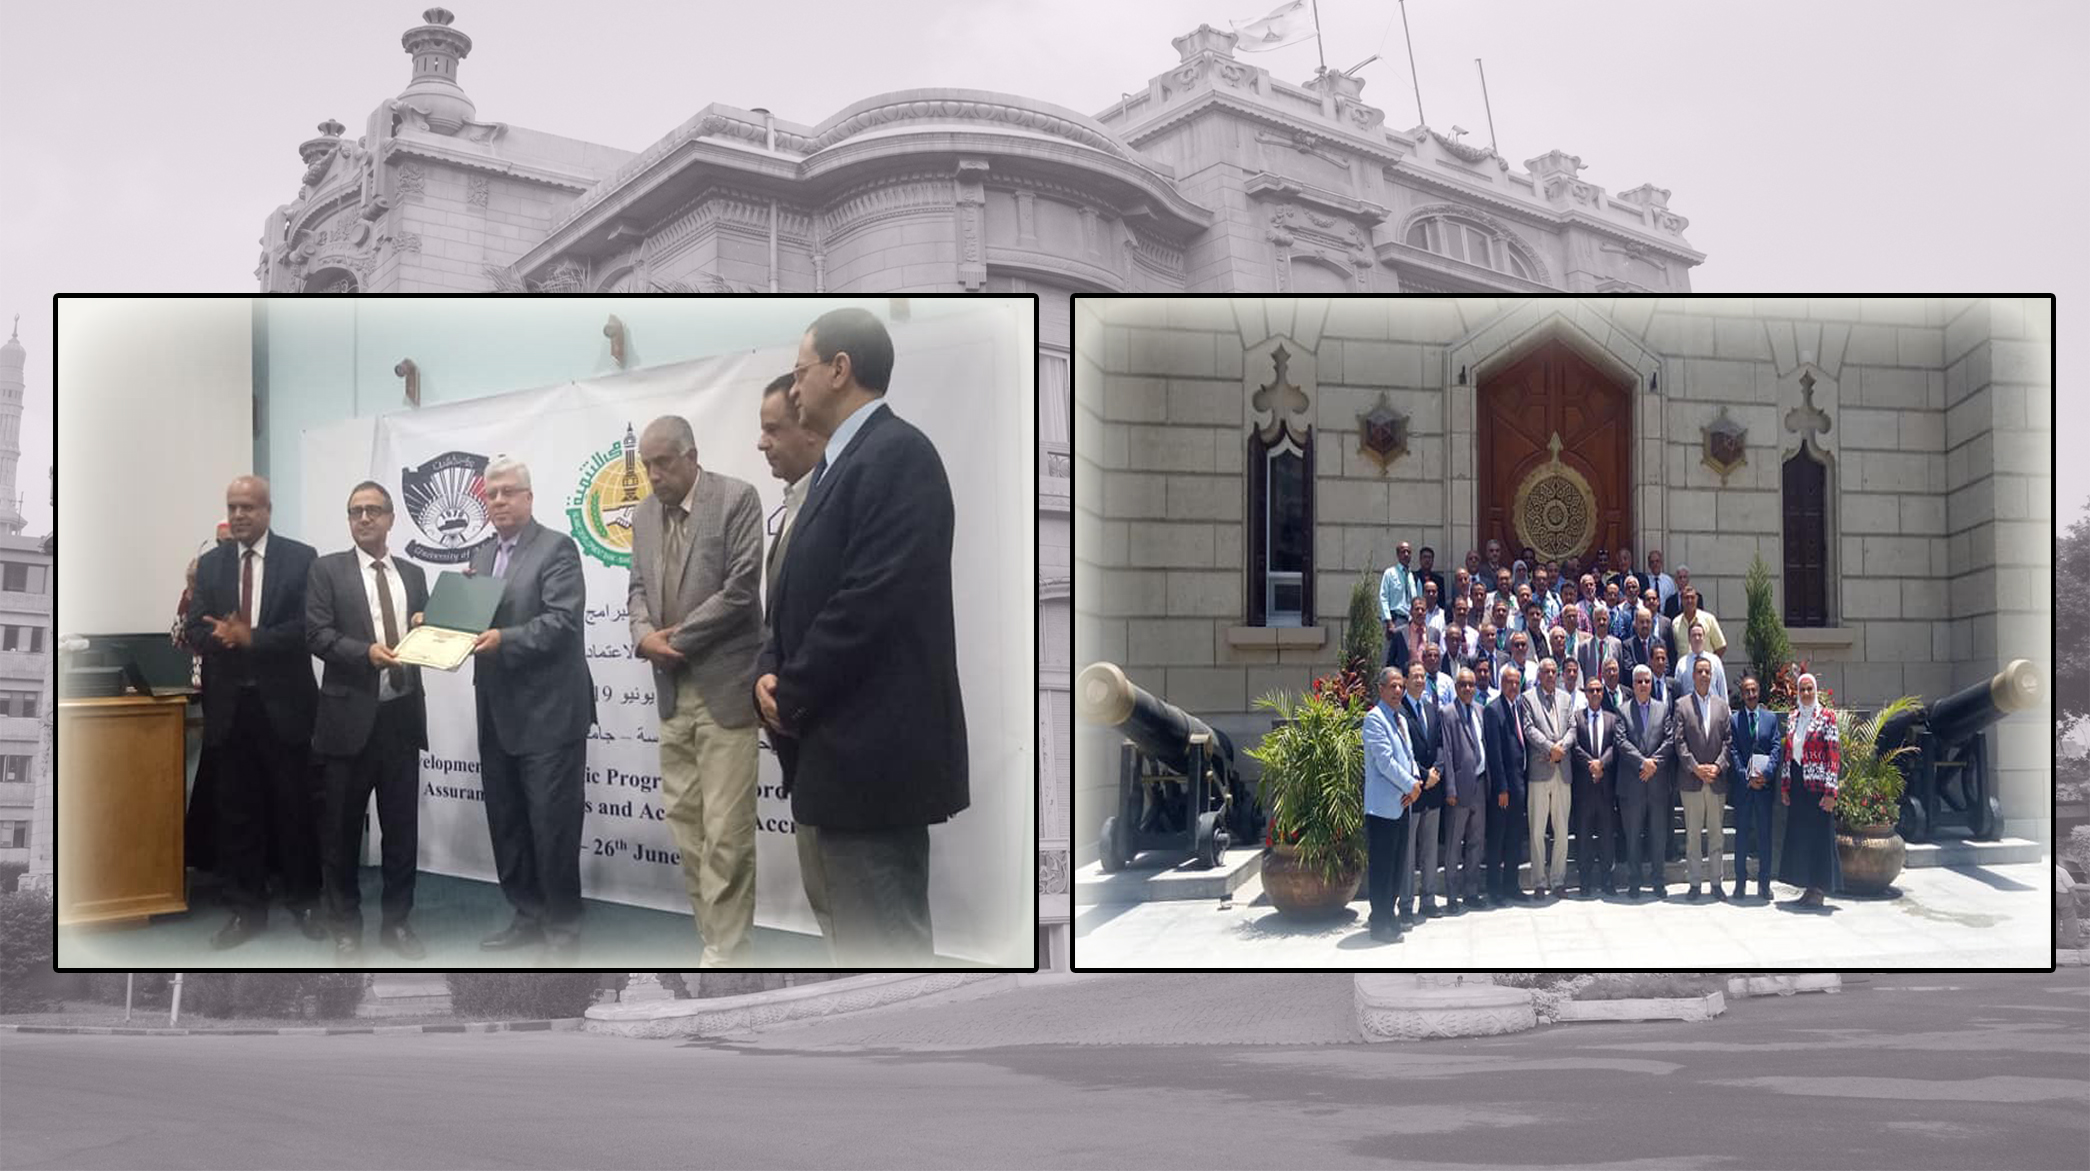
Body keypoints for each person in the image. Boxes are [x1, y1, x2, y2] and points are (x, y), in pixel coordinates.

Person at [757, 307, 970, 966]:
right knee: (853, 960)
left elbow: (872, 602)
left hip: (874, 767)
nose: (794, 391)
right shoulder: (830, 470)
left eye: (800, 373)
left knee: (889, 964)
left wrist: (788, 690)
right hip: (832, 760)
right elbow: (793, 590)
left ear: (840, 370)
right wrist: (769, 665)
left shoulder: (900, 455)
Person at [630, 414, 767, 968]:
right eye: (646, 465)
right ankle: (714, 944)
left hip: (725, 690)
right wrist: (643, 637)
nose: (654, 475)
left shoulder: (737, 498)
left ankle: (729, 955)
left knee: (727, 834)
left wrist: (675, 639)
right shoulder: (641, 515)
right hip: (671, 693)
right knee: (687, 830)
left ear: (691, 456)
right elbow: (637, 587)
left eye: (663, 463)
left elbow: (740, 589)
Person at [185, 475, 323, 951]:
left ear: (267, 511)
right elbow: (193, 628)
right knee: (237, 813)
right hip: (230, 709)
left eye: (248, 507)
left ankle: (305, 899)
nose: (239, 514)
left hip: (285, 706)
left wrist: (253, 638)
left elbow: (309, 629)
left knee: (295, 807)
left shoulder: (300, 558)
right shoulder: (210, 565)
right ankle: (246, 910)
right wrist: (218, 635)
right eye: (232, 506)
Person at [469, 456, 598, 964]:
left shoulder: (557, 549)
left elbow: (562, 623)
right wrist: (437, 624)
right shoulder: (480, 555)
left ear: (528, 497)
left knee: (553, 825)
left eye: (508, 492)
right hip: (496, 711)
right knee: (507, 822)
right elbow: (473, 619)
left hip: (549, 714)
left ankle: (563, 927)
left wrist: (504, 639)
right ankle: (526, 914)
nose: (498, 501)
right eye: (492, 494)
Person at [305, 481, 430, 963]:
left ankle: (397, 924)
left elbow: (429, 632)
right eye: (355, 511)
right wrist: (366, 654)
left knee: (402, 831)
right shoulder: (326, 570)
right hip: (346, 720)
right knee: (339, 832)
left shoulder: (414, 573)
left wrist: (428, 625)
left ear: (391, 518)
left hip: (401, 717)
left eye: (373, 510)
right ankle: (344, 927)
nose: (364, 518)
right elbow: (317, 634)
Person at [755, 372, 831, 944]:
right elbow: (773, 619)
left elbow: (854, 618)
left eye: (772, 429)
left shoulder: (834, 504)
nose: (762, 443)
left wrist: (791, 692)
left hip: (838, 748)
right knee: (829, 911)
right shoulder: (787, 510)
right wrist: (763, 676)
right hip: (803, 753)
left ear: (809, 429)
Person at [1362, 668, 1419, 943]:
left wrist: (1417, 780)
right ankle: (1379, 922)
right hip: (1382, 808)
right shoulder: (1374, 719)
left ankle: (1389, 914)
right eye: (1393, 686)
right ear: (1381, 689)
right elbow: (1385, 763)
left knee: (1397, 865)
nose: (1398, 691)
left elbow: (1408, 755)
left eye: (1401, 687)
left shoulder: (1401, 719)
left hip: (1403, 804)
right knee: (1383, 867)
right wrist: (1411, 784)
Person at [1777, 673, 1840, 908]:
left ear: (1816, 691)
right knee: (1802, 837)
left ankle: (1820, 888)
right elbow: (1788, 755)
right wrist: (1785, 787)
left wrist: (1830, 792)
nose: (1805, 694)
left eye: (1809, 689)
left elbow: (1834, 756)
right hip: (1798, 785)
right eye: (1802, 690)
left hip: (1817, 787)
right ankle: (1808, 887)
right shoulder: (1793, 718)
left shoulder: (1826, 717)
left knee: (1819, 838)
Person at [1674, 656, 1733, 901]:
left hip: (1716, 780)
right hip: (1692, 781)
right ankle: (1695, 883)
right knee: (1693, 835)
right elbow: (1679, 741)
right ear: (1693, 675)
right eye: (1700, 671)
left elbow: (1729, 742)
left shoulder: (1722, 706)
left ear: (1713, 676)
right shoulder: (1682, 705)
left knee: (1717, 835)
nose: (1704, 676)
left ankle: (1716, 883)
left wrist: (1718, 767)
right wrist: (1696, 768)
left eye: (1708, 672)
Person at [1614, 665, 1675, 899]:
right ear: (1633, 684)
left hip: (1657, 784)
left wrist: (1653, 764)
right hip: (1633, 785)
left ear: (1651, 684)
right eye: (1638, 681)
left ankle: (1659, 882)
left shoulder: (1662, 709)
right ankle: (1634, 881)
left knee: (1658, 836)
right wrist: (1642, 763)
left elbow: (1669, 740)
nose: (1643, 685)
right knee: (1632, 836)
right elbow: (1621, 741)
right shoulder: (1623, 711)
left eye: (1646, 681)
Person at [1436, 666, 1490, 913]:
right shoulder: (1447, 713)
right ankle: (1452, 896)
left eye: (1471, 684)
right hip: (1458, 788)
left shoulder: (1480, 710)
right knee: (1455, 844)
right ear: (1456, 688)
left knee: (1476, 842)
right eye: (1463, 685)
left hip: (1480, 784)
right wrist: (1450, 789)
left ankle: (1471, 891)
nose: (1468, 688)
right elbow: (1446, 752)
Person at [1520, 657, 1575, 900]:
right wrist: (1549, 748)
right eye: (1547, 672)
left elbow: (1573, 727)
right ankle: (1539, 881)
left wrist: (1561, 747)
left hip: (1562, 770)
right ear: (1539, 675)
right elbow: (1529, 728)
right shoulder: (1528, 698)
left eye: (1554, 671)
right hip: (1540, 771)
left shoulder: (1566, 698)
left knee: (1562, 830)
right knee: (1537, 830)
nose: (1551, 676)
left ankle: (1558, 880)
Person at [1727, 673, 1784, 901]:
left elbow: (1776, 748)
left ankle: (1764, 885)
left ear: (1758, 693)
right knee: (1741, 838)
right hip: (1743, 789)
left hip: (1764, 788)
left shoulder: (1770, 719)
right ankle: (1740, 884)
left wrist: (1766, 773)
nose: (1751, 694)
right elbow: (1733, 752)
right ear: (1741, 695)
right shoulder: (1734, 720)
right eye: (1746, 691)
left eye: (1754, 691)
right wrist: (1745, 777)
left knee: (1764, 838)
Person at [1395, 663, 1445, 923]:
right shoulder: (1399, 712)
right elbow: (1405, 752)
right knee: (1408, 852)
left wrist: (1437, 770)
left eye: (1422, 677)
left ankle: (1428, 899)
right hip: (1411, 790)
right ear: (1405, 680)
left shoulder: (1431, 708)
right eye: (1414, 676)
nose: (1419, 680)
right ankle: (1405, 904)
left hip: (1433, 790)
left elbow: (1439, 744)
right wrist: (1424, 776)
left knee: (1429, 850)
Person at [1479, 663, 1528, 905]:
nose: (1512, 686)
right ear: (1501, 683)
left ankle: (1512, 885)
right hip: (1504, 789)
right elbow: (1495, 753)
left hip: (1520, 785)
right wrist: (1502, 788)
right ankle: (1494, 889)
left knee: (1515, 838)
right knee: (1497, 839)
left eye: (1516, 682)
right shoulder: (1493, 710)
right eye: (1508, 682)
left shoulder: (1518, 706)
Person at [1570, 676, 1620, 897]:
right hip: (1584, 788)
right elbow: (1575, 747)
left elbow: (1615, 745)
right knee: (1583, 837)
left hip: (1605, 788)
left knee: (1607, 837)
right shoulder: (1577, 718)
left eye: (1599, 690)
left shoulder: (1612, 718)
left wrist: (1602, 764)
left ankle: (1608, 880)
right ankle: (1585, 881)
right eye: (1591, 690)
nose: (1596, 694)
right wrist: (1591, 765)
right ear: (1585, 693)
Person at [1674, 620, 1729, 701]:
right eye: (1694, 635)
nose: (1697, 638)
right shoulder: (1681, 663)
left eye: (1700, 635)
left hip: (1712, 708)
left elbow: (1722, 688)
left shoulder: (1715, 660)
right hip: (1690, 709)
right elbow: (1677, 691)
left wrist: (1726, 710)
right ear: (1689, 639)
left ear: (1704, 638)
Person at [1379, 541, 1421, 643]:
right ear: (1398, 555)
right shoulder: (1390, 573)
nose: (1406, 554)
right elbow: (1383, 597)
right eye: (1403, 552)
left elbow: (1420, 602)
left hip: (1411, 622)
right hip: (1395, 621)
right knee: (1391, 654)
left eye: (1408, 552)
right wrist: (1388, 622)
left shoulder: (1415, 578)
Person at [1671, 585, 1728, 658]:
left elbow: (1721, 646)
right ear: (1681, 600)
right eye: (1686, 598)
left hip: (1704, 668)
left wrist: (1711, 663)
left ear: (1697, 599)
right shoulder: (1675, 623)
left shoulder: (1709, 619)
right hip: (1684, 668)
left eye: (1692, 597)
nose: (1689, 601)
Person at [1417, 546, 1448, 624]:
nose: (1427, 560)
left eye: (1429, 558)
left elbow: (1441, 601)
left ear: (1433, 560)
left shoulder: (1439, 579)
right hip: (1418, 614)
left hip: (1435, 616)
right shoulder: (1413, 577)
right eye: (1424, 557)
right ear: (1420, 560)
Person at [1645, 548, 1679, 615]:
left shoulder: (1669, 581)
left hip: (1666, 616)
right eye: (1652, 562)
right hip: (1649, 615)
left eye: (1657, 561)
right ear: (1649, 564)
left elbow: (1673, 601)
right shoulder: (1645, 581)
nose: (1655, 564)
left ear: (1661, 563)